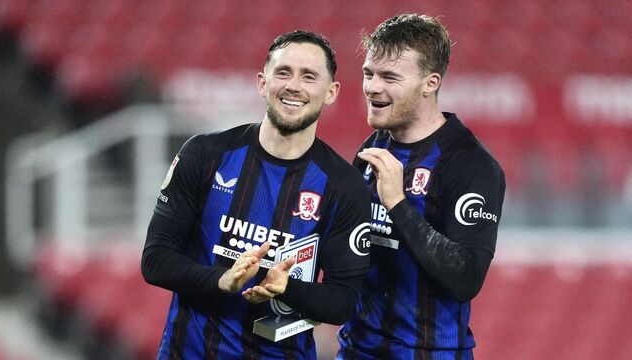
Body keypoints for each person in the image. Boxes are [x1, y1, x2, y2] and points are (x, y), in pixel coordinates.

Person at [141, 30, 372, 359]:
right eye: (283, 72)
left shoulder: (345, 187)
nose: (293, 85)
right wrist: (224, 280)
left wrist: (285, 287)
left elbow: (341, 303)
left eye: (309, 76)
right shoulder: (205, 155)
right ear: (262, 83)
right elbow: (155, 260)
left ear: (331, 92)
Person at [337, 14, 505, 360]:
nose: (372, 87)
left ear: (430, 83)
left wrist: (398, 204)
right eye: (369, 73)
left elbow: (466, 279)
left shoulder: (470, 165)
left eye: (390, 77)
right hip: (356, 350)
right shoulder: (372, 148)